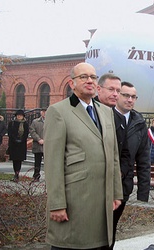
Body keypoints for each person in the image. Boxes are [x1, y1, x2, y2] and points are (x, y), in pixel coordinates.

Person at [44, 62, 122, 249]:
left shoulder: (105, 112)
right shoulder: (59, 112)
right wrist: (57, 203)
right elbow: (53, 162)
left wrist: (116, 192)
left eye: (93, 77)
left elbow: (113, 155)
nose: (89, 81)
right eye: (83, 77)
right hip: (75, 200)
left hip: (102, 200)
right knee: (72, 244)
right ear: (72, 83)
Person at [111, 81, 151, 249]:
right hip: (101, 184)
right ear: (117, 95)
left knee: (111, 229)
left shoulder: (139, 123)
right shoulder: (104, 116)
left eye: (133, 97)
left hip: (123, 187)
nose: (130, 100)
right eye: (126, 95)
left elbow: (144, 160)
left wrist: (143, 192)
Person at [7, 109, 29, 182]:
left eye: (21, 116)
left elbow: (26, 134)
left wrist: (21, 140)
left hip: (21, 145)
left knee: (19, 160)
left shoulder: (25, 124)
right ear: (16, 116)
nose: (19, 117)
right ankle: (15, 173)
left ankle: (17, 173)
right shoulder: (12, 123)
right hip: (13, 144)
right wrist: (15, 139)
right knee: (14, 159)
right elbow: (10, 133)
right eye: (18, 115)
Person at [29, 108, 46, 182]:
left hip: (47, 145)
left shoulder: (52, 121)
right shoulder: (35, 122)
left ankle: (48, 177)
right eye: (43, 112)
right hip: (38, 145)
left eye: (46, 112)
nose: (44, 113)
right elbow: (32, 131)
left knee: (48, 163)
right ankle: (36, 176)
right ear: (41, 112)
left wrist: (46, 140)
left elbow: (54, 132)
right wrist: (39, 139)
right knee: (37, 162)